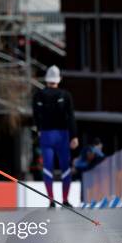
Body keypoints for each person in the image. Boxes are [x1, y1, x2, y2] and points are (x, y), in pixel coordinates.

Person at [32, 65, 78, 207]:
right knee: (65, 168)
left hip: (46, 135)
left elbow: (36, 115)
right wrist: (74, 136)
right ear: (59, 79)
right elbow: (70, 116)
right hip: (62, 135)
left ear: (46, 80)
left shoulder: (38, 95)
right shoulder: (65, 95)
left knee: (48, 168)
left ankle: (51, 200)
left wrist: (39, 130)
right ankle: (65, 200)